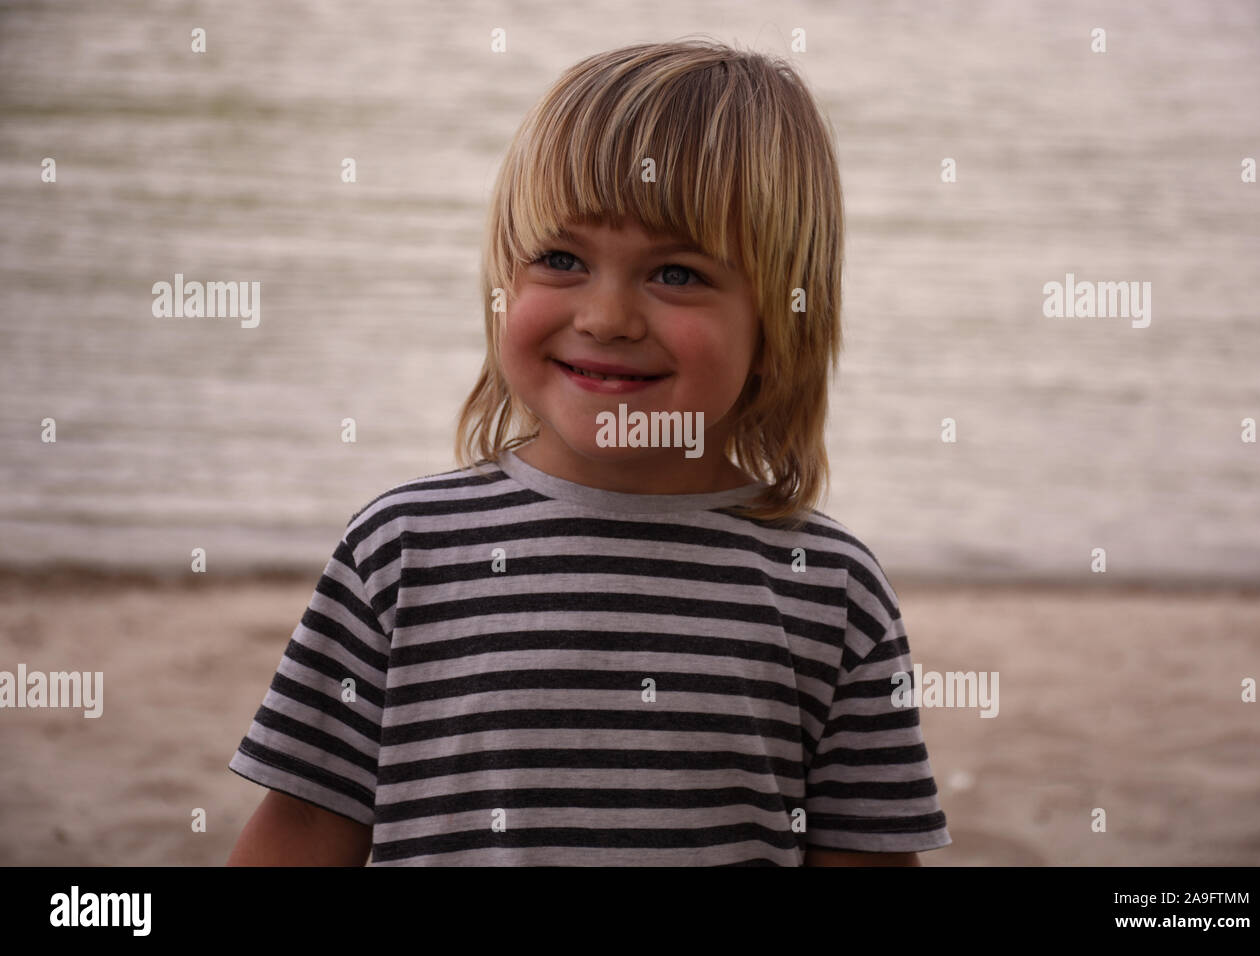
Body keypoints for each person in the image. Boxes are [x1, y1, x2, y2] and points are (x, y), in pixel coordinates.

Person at [227, 37, 951, 866]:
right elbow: (307, 824)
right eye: (562, 259)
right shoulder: (401, 549)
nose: (607, 316)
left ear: (782, 319)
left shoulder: (830, 591)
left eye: (676, 274)